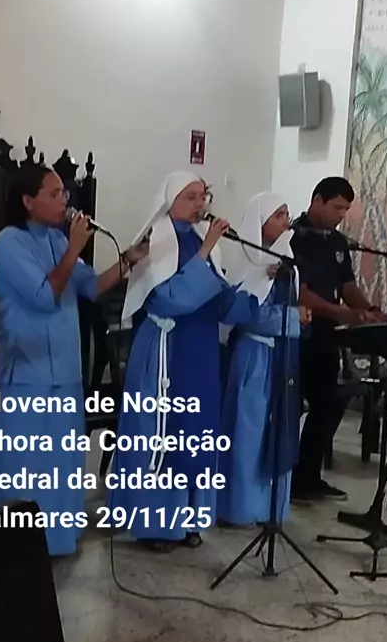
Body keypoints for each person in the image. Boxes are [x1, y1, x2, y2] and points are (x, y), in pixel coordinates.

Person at [108, 172, 287, 553]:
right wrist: (205, 251)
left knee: (196, 435)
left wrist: (258, 289)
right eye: (190, 197)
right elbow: (170, 299)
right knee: (163, 436)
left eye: (202, 196)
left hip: (201, 350)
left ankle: (189, 519)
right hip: (167, 350)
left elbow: (218, 299)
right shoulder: (157, 239)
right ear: (169, 200)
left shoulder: (205, 242)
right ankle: (155, 525)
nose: (199, 204)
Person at [0, 165, 150, 556]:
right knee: (24, 466)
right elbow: (44, 296)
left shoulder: (57, 240)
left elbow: (91, 286)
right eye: (55, 194)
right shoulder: (9, 243)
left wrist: (129, 259)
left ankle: (56, 541)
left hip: (65, 372)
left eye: (65, 193)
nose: (65, 201)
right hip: (26, 373)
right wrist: (74, 248)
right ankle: (14, 546)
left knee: (60, 465)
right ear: (28, 201)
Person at [290, 176, 387, 504]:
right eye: (336, 207)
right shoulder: (294, 238)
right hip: (299, 331)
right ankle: (284, 477)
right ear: (317, 200)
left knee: (328, 404)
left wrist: (369, 311)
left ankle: (308, 476)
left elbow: (348, 287)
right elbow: (299, 291)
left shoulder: (337, 242)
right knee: (292, 407)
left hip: (327, 334)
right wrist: (342, 313)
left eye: (346, 209)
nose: (341, 215)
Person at [217, 193, 310, 528]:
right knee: (249, 433)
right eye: (278, 215)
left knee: (279, 429)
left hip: (282, 357)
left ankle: (272, 509)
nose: (286, 221)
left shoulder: (287, 262)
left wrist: (296, 316)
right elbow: (246, 315)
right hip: (254, 357)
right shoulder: (247, 262)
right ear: (259, 221)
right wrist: (295, 317)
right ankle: (240, 508)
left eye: (287, 214)